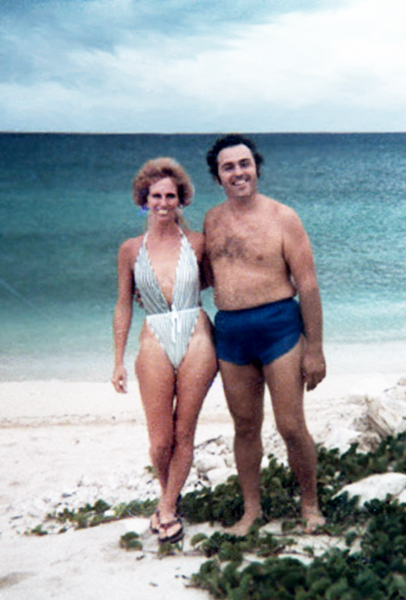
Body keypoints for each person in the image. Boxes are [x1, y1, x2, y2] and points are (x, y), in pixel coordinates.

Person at [204, 134, 326, 535]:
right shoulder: (211, 220)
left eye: (244, 164)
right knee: (244, 427)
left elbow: (307, 285)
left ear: (256, 167)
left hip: (279, 327)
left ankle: (310, 505)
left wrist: (315, 350)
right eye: (228, 167)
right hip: (232, 332)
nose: (238, 172)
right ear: (217, 177)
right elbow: (207, 275)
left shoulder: (283, 217)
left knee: (290, 425)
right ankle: (251, 511)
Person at [112, 157, 217, 544]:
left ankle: (168, 509)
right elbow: (123, 303)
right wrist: (117, 360)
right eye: (155, 195)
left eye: (171, 195)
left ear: (181, 200)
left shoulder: (198, 242)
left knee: (184, 432)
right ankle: (168, 495)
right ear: (144, 199)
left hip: (197, 335)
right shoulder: (129, 250)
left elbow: (216, 282)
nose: (163, 202)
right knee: (160, 440)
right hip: (153, 335)